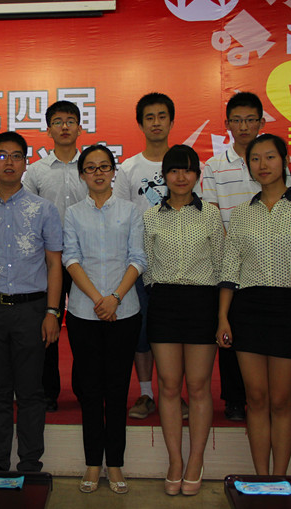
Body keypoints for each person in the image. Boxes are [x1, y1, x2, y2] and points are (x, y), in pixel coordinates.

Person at [217, 134, 291, 475]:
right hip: (246, 309)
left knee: (280, 400)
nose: (263, 165)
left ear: (285, 161)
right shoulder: (242, 213)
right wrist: (223, 317)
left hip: (288, 308)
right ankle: (262, 477)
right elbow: (230, 269)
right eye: (255, 159)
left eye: (270, 157)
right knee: (257, 398)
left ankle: (280, 477)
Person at [0, 131, 62, 472]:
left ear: (25, 163)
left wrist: (52, 312)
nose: (9, 162)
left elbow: (54, 264)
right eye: (2, 155)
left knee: (31, 391)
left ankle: (30, 464)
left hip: (32, 310)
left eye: (16, 156)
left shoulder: (44, 210)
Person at [63, 145, 145, 495]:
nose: (98, 173)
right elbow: (71, 257)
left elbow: (138, 258)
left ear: (114, 172)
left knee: (117, 389)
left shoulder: (130, 211)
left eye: (104, 167)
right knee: (91, 391)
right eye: (90, 168)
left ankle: (115, 463)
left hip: (124, 312)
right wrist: (99, 299)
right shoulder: (73, 213)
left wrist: (115, 298)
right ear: (82, 175)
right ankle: (92, 462)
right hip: (84, 313)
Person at [144, 145, 224, 496]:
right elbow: (146, 266)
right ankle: (175, 460)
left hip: (202, 302)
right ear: (164, 175)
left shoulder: (211, 215)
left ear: (197, 175)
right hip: (163, 303)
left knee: (199, 386)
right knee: (168, 385)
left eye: (188, 170)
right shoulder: (151, 217)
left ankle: (196, 460)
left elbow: (221, 265)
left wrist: (220, 313)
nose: (181, 177)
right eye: (174, 170)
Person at [201, 92, 273, 422]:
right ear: (227, 124)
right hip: (229, 263)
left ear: (261, 122)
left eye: (250, 119)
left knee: (265, 333)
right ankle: (234, 398)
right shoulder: (214, 167)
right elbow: (213, 215)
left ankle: (268, 396)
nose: (244, 126)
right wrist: (232, 256)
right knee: (229, 329)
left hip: (269, 263)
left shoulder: (273, 162)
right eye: (237, 120)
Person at [113, 92, 179, 420]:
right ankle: (146, 394)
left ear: (171, 121)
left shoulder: (183, 162)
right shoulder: (128, 168)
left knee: (174, 332)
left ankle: (174, 394)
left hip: (178, 264)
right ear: (140, 124)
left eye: (162, 116)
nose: (156, 123)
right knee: (140, 332)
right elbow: (120, 216)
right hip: (138, 265)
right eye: (149, 117)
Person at [23, 100, 88, 412]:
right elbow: (27, 216)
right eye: (58, 121)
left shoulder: (90, 167)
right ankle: (47, 391)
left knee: (84, 327)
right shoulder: (36, 171)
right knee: (47, 326)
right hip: (46, 261)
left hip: (85, 259)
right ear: (48, 129)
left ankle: (85, 390)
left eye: (70, 121)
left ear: (79, 128)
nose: (64, 127)